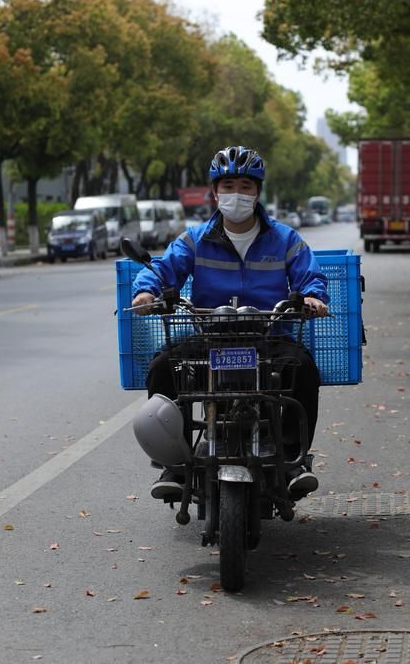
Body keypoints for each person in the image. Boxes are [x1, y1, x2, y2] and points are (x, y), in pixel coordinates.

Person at [131, 145, 329, 500]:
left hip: (269, 333)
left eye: (245, 186)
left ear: (257, 192)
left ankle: (292, 461)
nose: (236, 194)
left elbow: (309, 276)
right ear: (215, 192)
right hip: (212, 336)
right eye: (228, 186)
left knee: (304, 369)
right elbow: (163, 269)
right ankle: (174, 465)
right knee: (163, 367)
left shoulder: (285, 239)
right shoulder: (195, 239)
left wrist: (313, 297)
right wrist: (147, 293)